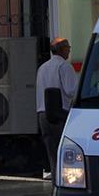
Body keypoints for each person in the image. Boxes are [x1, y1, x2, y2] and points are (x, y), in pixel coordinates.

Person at [35, 38, 78, 179]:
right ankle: (67, 182)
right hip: (60, 114)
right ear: (62, 49)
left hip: (43, 114)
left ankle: (56, 182)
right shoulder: (64, 66)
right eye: (68, 47)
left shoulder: (42, 68)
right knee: (66, 152)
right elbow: (71, 91)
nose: (69, 50)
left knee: (52, 155)